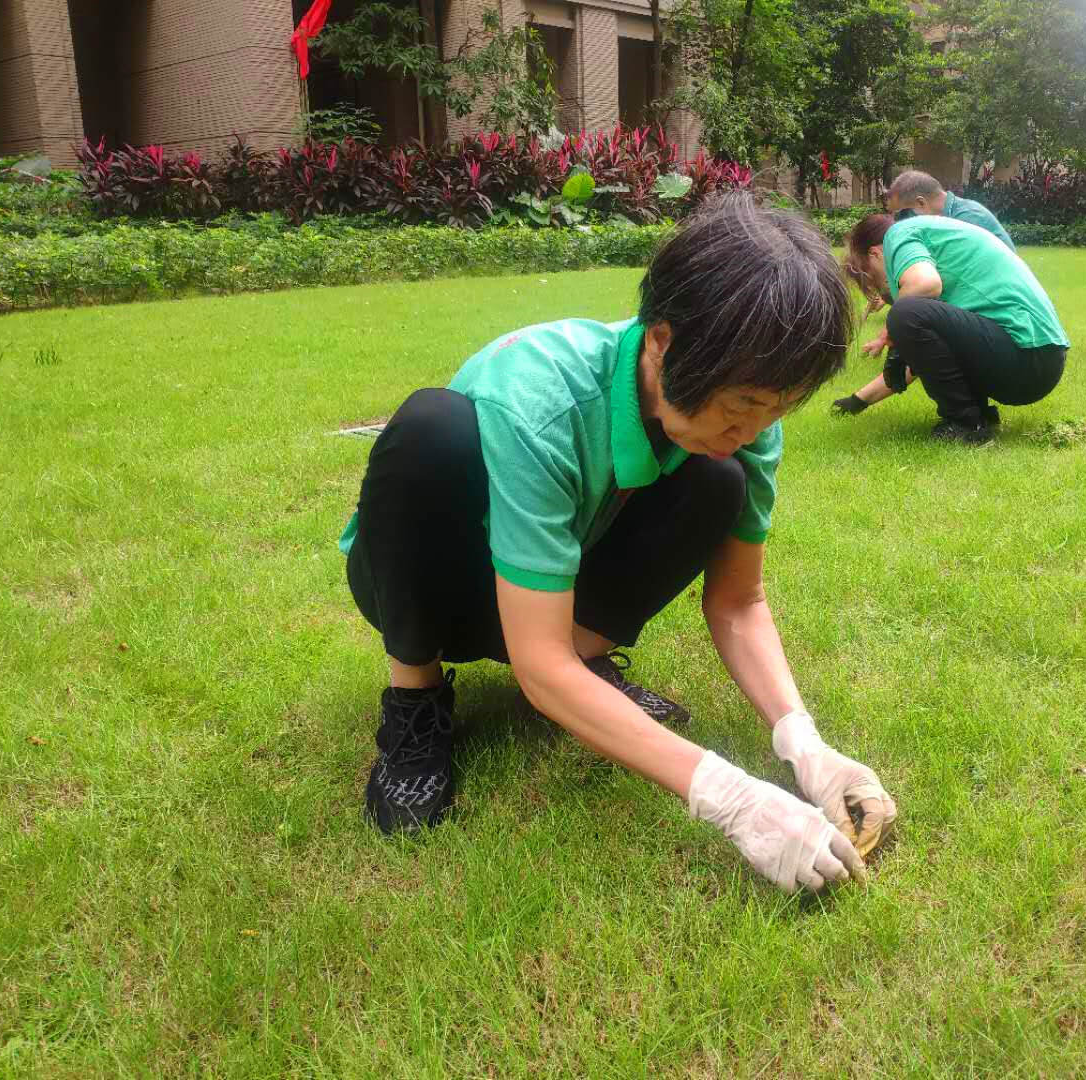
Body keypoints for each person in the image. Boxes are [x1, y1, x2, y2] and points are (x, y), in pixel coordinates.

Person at [339, 194, 896, 894]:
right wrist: (731, 797)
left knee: (719, 480)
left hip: (552, 596)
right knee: (433, 430)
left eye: (776, 410)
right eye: (744, 408)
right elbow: (537, 666)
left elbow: (739, 600)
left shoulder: (747, 412)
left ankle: (590, 662)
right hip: (434, 588)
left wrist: (804, 744)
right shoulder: (541, 397)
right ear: (662, 344)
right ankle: (415, 700)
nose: (757, 429)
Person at [833, 212, 1069, 443]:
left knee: (905, 313)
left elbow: (926, 285)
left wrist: (892, 329)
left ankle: (966, 424)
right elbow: (929, 359)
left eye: (872, 277)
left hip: (1027, 354)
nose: (883, 287)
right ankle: (977, 416)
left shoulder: (899, 234)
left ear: (875, 253)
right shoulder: (934, 244)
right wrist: (858, 401)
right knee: (907, 313)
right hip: (1039, 362)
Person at [887, 169, 1016, 253]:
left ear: (921, 203)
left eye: (903, 214)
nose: (898, 223)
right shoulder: (947, 220)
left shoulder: (969, 219)